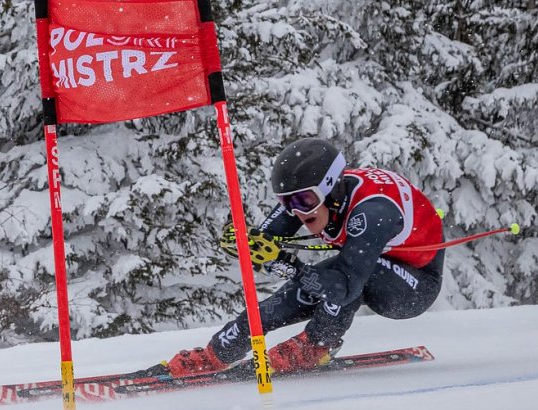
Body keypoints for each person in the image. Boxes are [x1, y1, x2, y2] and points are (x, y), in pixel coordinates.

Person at [164, 138, 444, 377]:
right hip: (367, 267)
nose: (297, 211)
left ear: (333, 188)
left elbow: (344, 288)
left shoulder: (372, 212)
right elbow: (266, 240)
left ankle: (317, 344)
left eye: (304, 201)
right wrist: (250, 247)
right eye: (287, 202)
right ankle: (220, 351)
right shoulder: (310, 197)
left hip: (414, 287)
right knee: (302, 288)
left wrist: (289, 266)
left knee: (343, 278)